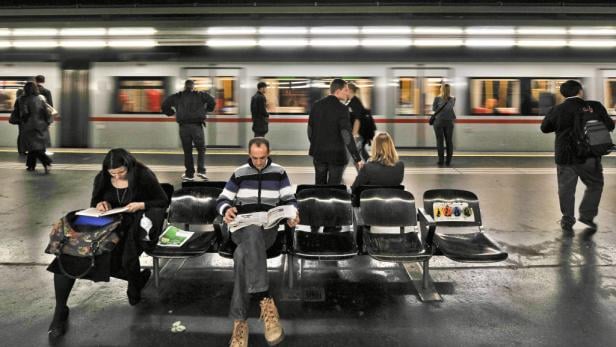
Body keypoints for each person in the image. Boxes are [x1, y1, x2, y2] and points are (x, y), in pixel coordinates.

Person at [46, 148, 169, 340]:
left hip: (131, 224)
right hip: (107, 223)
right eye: (113, 174)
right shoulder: (102, 178)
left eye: (121, 172)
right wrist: (101, 204)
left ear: (129, 165)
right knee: (70, 252)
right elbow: (95, 201)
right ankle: (60, 309)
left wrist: (141, 205)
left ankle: (133, 278)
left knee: (107, 254)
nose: (118, 176)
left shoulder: (143, 175)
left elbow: (162, 200)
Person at [216, 137, 299, 347]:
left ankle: (239, 323)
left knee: (241, 255)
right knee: (251, 229)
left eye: (263, 158)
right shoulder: (239, 173)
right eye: (255, 158)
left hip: (268, 231)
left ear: (269, 153)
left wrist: (292, 214)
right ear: (249, 155)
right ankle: (265, 298)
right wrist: (227, 210)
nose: (259, 162)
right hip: (241, 229)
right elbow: (222, 199)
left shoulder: (279, 173)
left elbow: (290, 200)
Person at [541, 80, 614, 234]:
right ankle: (586, 217)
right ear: (580, 91)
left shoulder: (558, 109)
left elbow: (545, 128)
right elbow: (610, 125)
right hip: (589, 156)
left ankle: (568, 219)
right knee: (595, 185)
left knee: (566, 189)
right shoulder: (595, 106)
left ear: (563, 94)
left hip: (566, 157)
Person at [308, 78, 363, 185]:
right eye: (345, 90)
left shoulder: (316, 106)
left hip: (319, 154)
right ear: (337, 91)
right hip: (336, 156)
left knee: (319, 185)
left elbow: (310, 130)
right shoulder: (342, 109)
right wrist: (356, 157)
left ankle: (319, 201)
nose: (348, 93)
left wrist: (316, 144)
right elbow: (346, 135)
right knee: (333, 188)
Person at [162, 79, 216, 181]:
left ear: (185, 87)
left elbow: (164, 104)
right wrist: (207, 110)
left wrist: (170, 112)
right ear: (193, 87)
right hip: (197, 127)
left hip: (184, 127)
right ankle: (201, 171)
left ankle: (189, 174)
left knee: (187, 151)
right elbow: (212, 101)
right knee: (201, 149)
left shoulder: (177, 96)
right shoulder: (200, 95)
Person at [15, 82, 53, 173]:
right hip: (41, 126)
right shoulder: (41, 98)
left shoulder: (22, 99)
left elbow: (24, 113)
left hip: (29, 126)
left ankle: (46, 161)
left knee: (33, 147)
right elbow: (47, 112)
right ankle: (30, 165)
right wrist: (47, 122)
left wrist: (22, 120)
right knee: (35, 147)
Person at [432, 83, 456, 166]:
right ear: (449, 90)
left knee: (440, 141)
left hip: (439, 122)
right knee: (449, 141)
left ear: (441, 89)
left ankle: (441, 161)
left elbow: (434, 109)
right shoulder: (453, 99)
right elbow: (450, 108)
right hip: (449, 122)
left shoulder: (437, 98)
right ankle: (448, 161)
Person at [347, 82, 370, 161]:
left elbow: (357, 119)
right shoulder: (351, 102)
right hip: (359, 134)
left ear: (349, 90)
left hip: (359, 134)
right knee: (361, 154)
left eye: (345, 89)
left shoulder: (355, 102)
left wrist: (354, 135)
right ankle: (370, 169)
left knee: (357, 156)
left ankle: (369, 170)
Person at [35, 75, 54, 154]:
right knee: (44, 133)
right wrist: (49, 119)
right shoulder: (46, 91)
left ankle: (34, 149)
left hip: (33, 117)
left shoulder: (29, 92)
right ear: (44, 80)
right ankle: (43, 149)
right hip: (43, 116)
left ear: (35, 80)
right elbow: (50, 106)